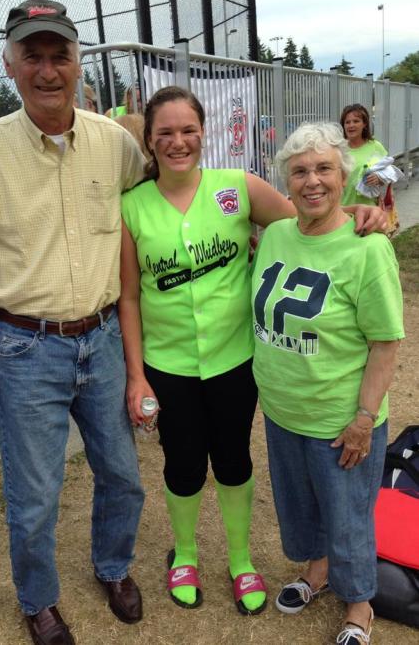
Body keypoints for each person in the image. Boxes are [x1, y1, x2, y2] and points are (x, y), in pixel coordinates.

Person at [118, 86, 387, 616]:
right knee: (183, 464)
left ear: (204, 133)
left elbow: (308, 218)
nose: (178, 142)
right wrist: (136, 376)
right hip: (167, 363)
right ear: (148, 140)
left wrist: (361, 212)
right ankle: (187, 554)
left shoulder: (236, 187)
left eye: (188, 130)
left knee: (235, 459)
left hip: (234, 359)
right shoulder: (131, 206)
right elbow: (128, 296)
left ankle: (241, 559)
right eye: (165, 133)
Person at [0, 0, 145, 645]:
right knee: (34, 497)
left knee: (122, 475)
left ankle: (112, 568)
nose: (48, 70)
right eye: (34, 56)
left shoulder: (113, 143)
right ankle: (39, 601)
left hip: (104, 339)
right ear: (10, 66)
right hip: (26, 348)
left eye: (61, 56)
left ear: (81, 65)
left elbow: (169, 189)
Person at [251, 123, 404, 644]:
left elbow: (385, 343)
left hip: (340, 419)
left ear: (345, 176)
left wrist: (364, 419)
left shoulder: (367, 249)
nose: (312, 181)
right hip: (282, 409)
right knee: (301, 506)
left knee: (348, 518)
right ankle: (317, 572)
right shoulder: (275, 234)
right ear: (286, 182)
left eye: (324, 169)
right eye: (299, 171)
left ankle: (360, 603)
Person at [340, 103, 387, 206]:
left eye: (356, 121)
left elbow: (389, 172)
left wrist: (379, 178)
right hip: (343, 210)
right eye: (347, 122)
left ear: (364, 124)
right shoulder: (339, 149)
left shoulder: (375, 147)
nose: (351, 125)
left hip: (369, 210)